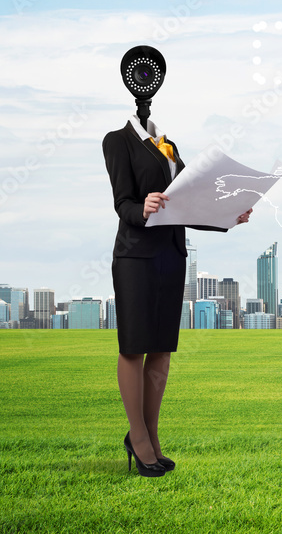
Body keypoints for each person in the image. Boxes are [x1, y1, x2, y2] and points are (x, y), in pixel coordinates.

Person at [102, 114, 252, 477]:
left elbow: (187, 207)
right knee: (134, 347)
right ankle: (136, 437)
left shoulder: (170, 147)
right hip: (135, 256)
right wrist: (143, 207)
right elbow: (122, 202)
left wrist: (229, 217)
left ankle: (152, 437)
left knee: (162, 350)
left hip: (171, 255)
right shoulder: (117, 140)